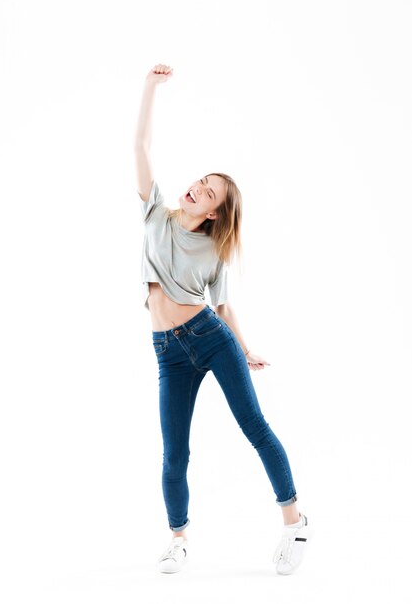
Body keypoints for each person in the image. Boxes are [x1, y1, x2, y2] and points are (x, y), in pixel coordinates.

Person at [134, 63, 312, 575]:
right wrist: (149, 88)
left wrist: (245, 345)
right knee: (174, 453)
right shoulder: (155, 214)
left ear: (213, 213)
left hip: (210, 339)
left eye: (208, 193)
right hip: (168, 351)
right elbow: (141, 150)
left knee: (254, 426)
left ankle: (294, 520)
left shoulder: (215, 250)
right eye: (200, 182)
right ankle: (178, 538)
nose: (196, 189)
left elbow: (224, 305)